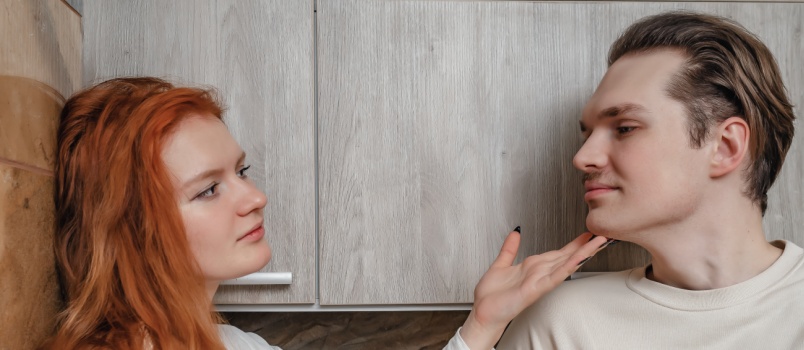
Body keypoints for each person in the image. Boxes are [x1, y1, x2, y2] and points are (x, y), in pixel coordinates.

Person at [43, 77, 612, 349]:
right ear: (132, 229)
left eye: (239, 172)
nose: (255, 196)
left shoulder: (233, 345)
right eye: (207, 190)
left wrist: (482, 323)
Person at [495, 11, 804, 349]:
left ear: (725, 147)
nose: (582, 158)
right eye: (587, 134)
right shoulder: (561, 323)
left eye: (625, 128)